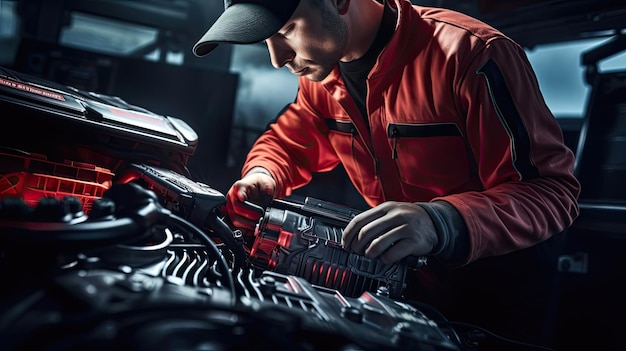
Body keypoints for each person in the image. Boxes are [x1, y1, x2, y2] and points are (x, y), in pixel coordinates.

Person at [192, 0, 580, 349]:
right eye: (266, 40)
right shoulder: (322, 79)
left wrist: (441, 221)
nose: (277, 58)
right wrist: (263, 174)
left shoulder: (471, 56)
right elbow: (290, 141)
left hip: (498, 301)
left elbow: (552, 192)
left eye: (286, 31)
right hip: (400, 286)